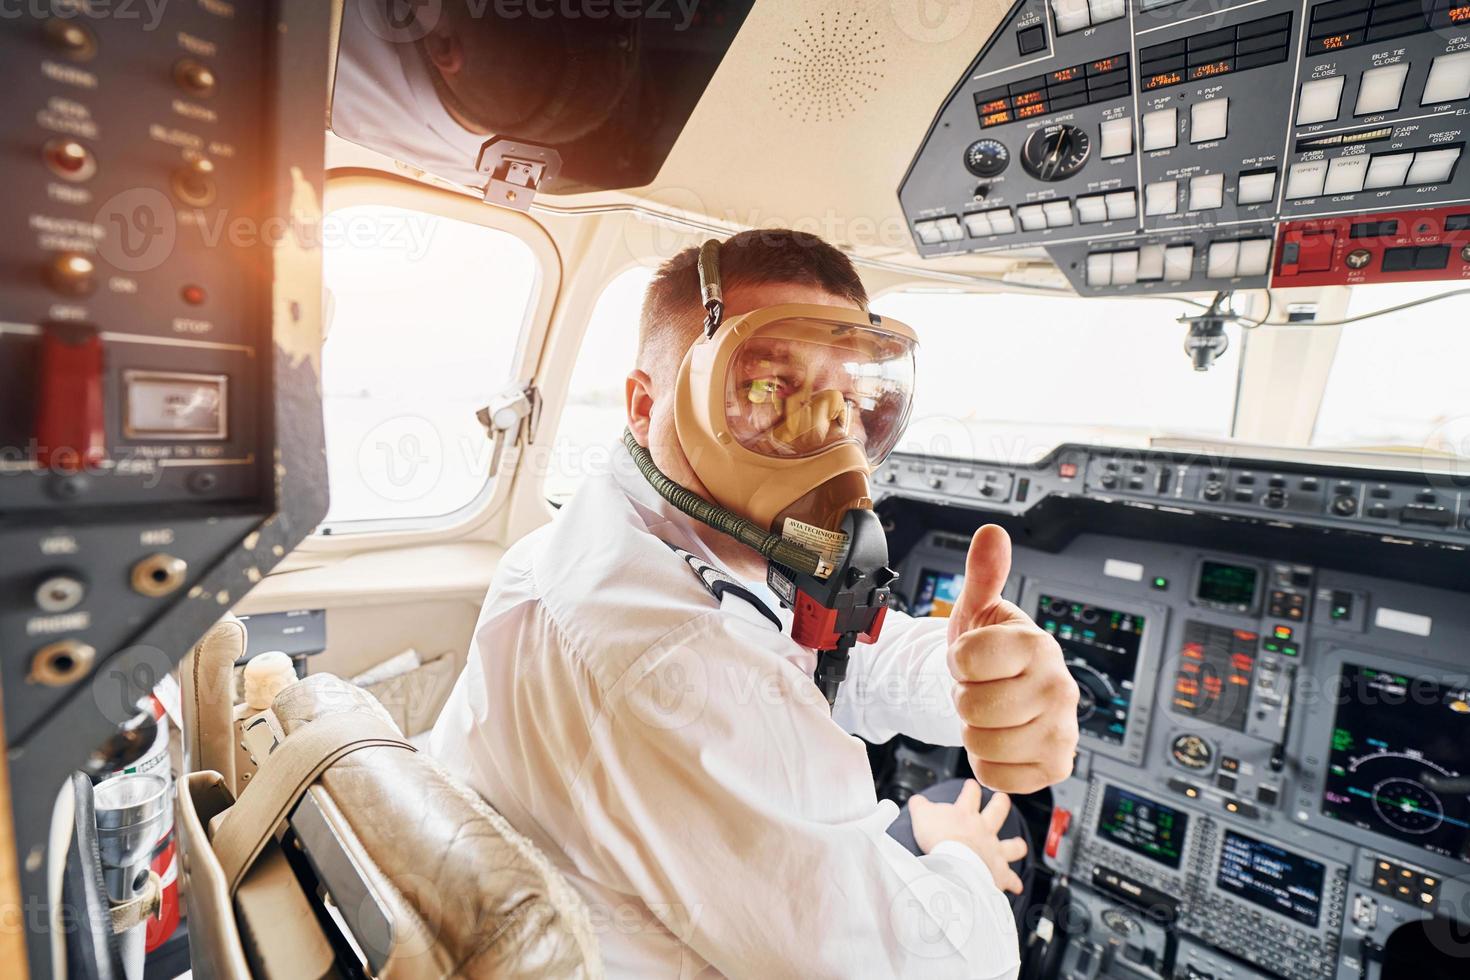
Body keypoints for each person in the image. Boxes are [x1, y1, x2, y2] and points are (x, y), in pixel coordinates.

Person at [431, 229, 1080, 978]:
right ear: (646, 406)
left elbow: (825, 654)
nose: (826, 442)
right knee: (992, 827)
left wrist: (970, 675)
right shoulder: (682, 663)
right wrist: (962, 857)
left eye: (848, 405)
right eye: (766, 388)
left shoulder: (603, 539)